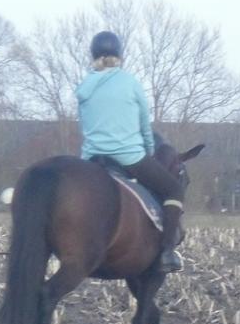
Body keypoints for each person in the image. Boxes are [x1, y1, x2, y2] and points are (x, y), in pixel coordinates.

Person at [77, 31, 185, 274]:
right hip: (129, 157)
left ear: (93, 55)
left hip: (91, 159)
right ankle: (167, 252)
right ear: (119, 55)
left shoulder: (84, 87)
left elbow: (84, 125)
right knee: (173, 189)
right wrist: (148, 150)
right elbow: (144, 126)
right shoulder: (130, 83)